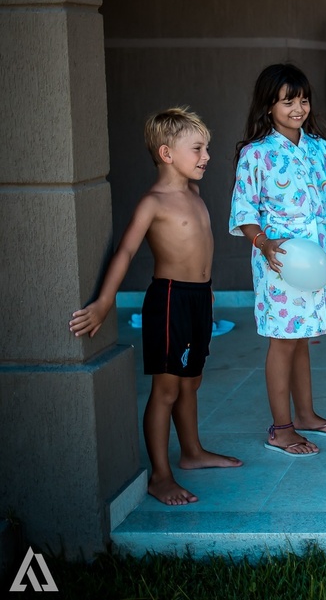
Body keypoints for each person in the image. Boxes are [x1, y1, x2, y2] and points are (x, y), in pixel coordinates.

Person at [70, 108, 242, 505]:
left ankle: (192, 452)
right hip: (169, 300)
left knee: (191, 381)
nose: (206, 156)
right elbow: (126, 251)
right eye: (197, 148)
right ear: (167, 153)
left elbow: (200, 245)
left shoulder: (194, 193)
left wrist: (208, 287)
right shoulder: (154, 202)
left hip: (198, 297)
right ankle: (160, 476)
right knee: (165, 390)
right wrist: (103, 302)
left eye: (207, 148)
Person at [232, 64, 326, 457]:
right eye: (288, 100)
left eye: (303, 99)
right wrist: (264, 243)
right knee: (282, 339)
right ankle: (282, 427)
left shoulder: (320, 148)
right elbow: (244, 212)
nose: (298, 108)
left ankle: (306, 414)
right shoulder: (255, 155)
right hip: (279, 259)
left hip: (318, 257)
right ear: (268, 105)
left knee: (301, 337)